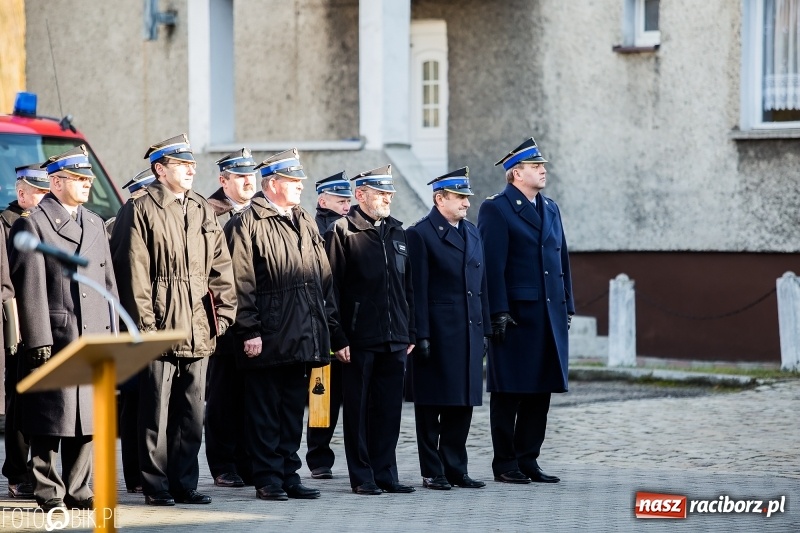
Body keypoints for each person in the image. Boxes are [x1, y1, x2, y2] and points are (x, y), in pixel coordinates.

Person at [110, 134, 237, 506]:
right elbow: (132, 272)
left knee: (191, 413)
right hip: (159, 327)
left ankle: (184, 483)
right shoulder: (139, 208)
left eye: (192, 164)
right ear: (160, 170)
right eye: (182, 165)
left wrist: (223, 317)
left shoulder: (200, 208)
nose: (191, 170)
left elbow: (221, 266)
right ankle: (155, 485)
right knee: (154, 411)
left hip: (198, 327)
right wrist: (146, 328)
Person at [227, 148, 347, 501]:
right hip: (268, 335)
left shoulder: (303, 219)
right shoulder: (248, 223)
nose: (300, 186)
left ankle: (288, 473)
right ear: (272, 184)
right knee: (265, 411)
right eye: (293, 181)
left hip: (303, 335)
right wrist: (249, 330)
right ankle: (267, 477)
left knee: (293, 410)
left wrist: (330, 329)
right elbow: (240, 282)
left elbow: (323, 280)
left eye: (300, 181)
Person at [8, 145, 118, 511]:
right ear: (56, 183)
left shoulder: (95, 222)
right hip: (57, 336)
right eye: (79, 178)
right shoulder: (34, 223)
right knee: (50, 417)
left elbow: (108, 283)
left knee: (87, 417)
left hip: (93, 335)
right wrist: (38, 339)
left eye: (89, 179)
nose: (87, 184)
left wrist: (113, 335)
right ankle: (48, 491)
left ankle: (79, 488)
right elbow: (30, 287)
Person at [477, 137, 574, 485]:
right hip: (516, 316)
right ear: (516, 173)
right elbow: (492, 265)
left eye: (542, 165)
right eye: (536, 166)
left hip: (548, 314)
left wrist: (567, 304)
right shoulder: (497, 208)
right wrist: (497, 311)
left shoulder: (551, 208)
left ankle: (528, 458)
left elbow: (561, 259)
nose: (543, 170)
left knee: (540, 390)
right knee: (510, 391)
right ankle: (505, 462)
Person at [325, 165, 416, 496]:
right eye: (381, 193)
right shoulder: (342, 231)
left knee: (389, 409)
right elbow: (330, 289)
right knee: (359, 410)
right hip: (358, 337)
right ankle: (362, 476)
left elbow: (407, 287)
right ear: (360, 194)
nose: (387, 199)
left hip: (395, 337)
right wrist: (338, 337)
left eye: (390, 193)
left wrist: (410, 330)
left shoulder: (397, 231)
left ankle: (386, 473)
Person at [405, 167, 491, 491]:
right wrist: (421, 334)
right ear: (439, 199)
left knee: (462, 403)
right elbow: (416, 290)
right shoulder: (421, 234)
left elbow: (481, 286)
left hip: (469, 330)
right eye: (459, 197)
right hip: (439, 333)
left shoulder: (472, 232)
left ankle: (455, 467)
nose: (467, 203)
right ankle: (433, 470)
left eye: (467, 197)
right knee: (431, 405)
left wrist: (485, 329)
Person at [204, 148, 258, 489]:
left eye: (251, 175)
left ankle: (248, 461)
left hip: (254, 319)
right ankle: (223, 464)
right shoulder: (209, 213)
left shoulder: (260, 212)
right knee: (223, 398)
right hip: (222, 319)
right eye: (241, 176)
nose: (249, 181)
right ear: (224, 181)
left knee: (251, 398)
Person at [1, 163, 49, 500]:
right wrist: (14, 331)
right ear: (21, 193)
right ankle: (17, 473)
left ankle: (43, 471)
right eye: (39, 192)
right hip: (17, 327)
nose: (45, 198)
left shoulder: (47, 223)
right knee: (19, 404)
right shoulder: (5, 224)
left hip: (48, 323)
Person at [108, 168, 156, 495]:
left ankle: (149, 469)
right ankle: (135, 474)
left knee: (150, 401)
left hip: (152, 322)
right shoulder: (118, 225)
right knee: (134, 400)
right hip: (129, 325)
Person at [305, 171, 351, 480]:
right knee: (322, 398)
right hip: (324, 329)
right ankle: (318, 457)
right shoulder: (319, 231)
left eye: (348, 200)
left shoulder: (350, 229)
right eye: (340, 200)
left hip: (347, 324)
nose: (346, 205)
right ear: (323, 200)